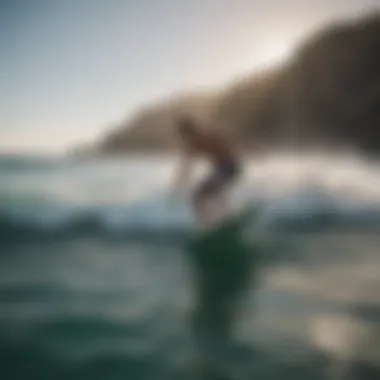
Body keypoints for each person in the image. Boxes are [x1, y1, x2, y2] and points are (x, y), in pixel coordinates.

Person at [171, 115, 241, 227]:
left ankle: (224, 218)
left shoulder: (208, 136)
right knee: (199, 198)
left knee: (205, 194)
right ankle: (211, 222)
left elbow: (230, 142)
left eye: (187, 133)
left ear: (192, 130)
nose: (186, 138)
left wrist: (251, 148)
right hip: (220, 170)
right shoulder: (193, 145)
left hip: (230, 167)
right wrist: (178, 187)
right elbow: (186, 167)